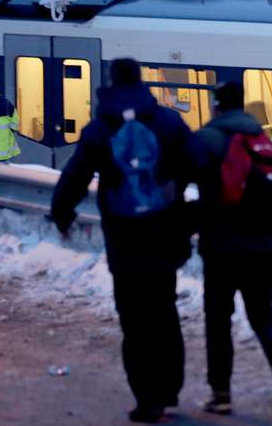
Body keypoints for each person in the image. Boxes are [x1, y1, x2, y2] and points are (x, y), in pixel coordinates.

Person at [50, 58, 193, 423]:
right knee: (164, 314)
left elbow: (75, 177)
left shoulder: (99, 129)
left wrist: (62, 214)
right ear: (141, 80)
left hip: (124, 242)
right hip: (165, 238)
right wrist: (189, 212)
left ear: (111, 82)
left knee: (134, 323)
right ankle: (169, 391)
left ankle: (147, 400)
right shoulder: (169, 122)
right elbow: (197, 165)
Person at [189, 81, 272, 419]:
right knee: (262, 313)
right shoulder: (261, 139)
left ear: (216, 105)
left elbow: (182, 176)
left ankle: (221, 394)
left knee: (218, 319)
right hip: (263, 244)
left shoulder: (207, 139)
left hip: (220, 245)